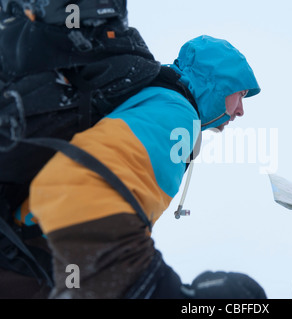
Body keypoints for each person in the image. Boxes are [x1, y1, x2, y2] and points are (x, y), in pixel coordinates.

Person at [5, 33, 265, 299]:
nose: (241, 110)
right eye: (240, 94)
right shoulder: (176, 113)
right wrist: (155, 288)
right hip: (38, 259)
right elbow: (78, 185)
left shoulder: (157, 100)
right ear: (217, 83)